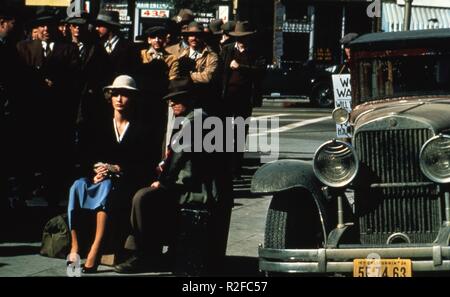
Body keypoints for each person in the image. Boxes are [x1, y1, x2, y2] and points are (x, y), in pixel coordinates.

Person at [114, 77, 215, 274]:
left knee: (142, 198)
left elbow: (177, 159)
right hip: (188, 183)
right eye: (170, 99)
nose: (171, 103)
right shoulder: (196, 118)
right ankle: (147, 251)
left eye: (177, 99)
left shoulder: (194, 122)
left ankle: (143, 254)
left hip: (191, 188)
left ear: (191, 99)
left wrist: (162, 183)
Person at [67, 75, 155, 273]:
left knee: (107, 187)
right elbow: (86, 154)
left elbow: (146, 165)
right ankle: (75, 246)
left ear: (133, 98)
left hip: (126, 182)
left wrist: (117, 169)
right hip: (99, 178)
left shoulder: (144, 129)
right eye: (115, 94)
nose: (119, 99)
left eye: (124, 94)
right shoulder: (100, 125)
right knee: (77, 185)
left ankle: (95, 249)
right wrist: (96, 169)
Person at [221, 21, 266, 178]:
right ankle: (225, 168)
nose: (241, 40)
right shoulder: (226, 50)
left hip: (244, 98)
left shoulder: (255, 52)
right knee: (225, 134)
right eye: (238, 37)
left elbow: (260, 72)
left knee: (240, 134)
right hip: (227, 98)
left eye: (244, 37)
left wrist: (240, 67)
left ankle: (235, 169)